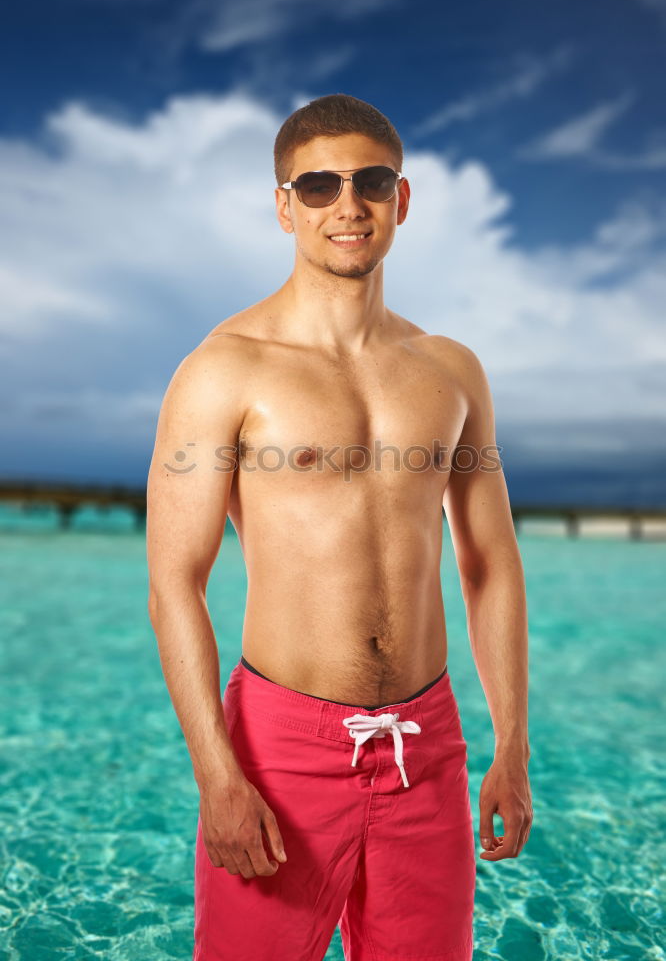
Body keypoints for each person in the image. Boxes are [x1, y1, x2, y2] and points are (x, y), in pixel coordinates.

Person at [146, 93, 532, 961]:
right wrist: (217, 772)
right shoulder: (222, 371)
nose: (346, 205)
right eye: (318, 186)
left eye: (370, 181)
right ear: (285, 206)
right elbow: (176, 581)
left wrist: (512, 743)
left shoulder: (451, 371)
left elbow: (490, 562)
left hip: (426, 749)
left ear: (403, 198)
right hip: (280, 751)